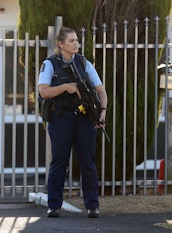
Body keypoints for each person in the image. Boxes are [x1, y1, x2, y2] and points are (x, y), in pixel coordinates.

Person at [38, 26, 107, 218]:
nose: (76, 43)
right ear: (61, 44)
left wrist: (102, 112)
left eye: (77, 40)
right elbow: (43, 91)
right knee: (59, 162)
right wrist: (66, 87)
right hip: (61, 119)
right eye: (72, 41)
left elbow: (100, 90)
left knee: (88, 162)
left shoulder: (84, 63)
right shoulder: (50, 64)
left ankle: (92, 206)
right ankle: (54, 205)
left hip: (85, 119)